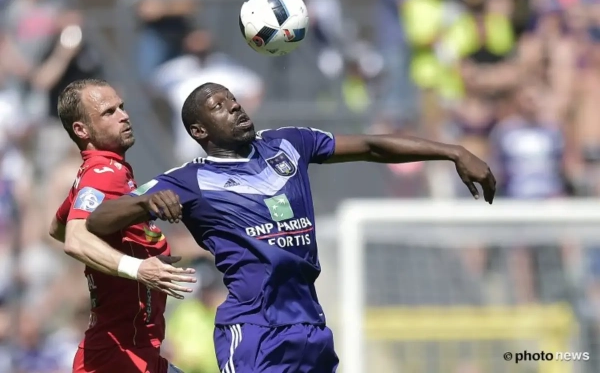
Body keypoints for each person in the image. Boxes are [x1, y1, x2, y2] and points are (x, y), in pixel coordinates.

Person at [86, 82, 496, 373]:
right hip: (255, 330)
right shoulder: (190, 180)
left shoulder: (288, 144)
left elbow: (372, 146)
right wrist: (145, 202)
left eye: (234, 100)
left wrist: (453, 151)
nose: (235, 107)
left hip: (311, 327)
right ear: (199, 131)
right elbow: (98, 220)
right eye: (219, 106)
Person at [48, 79, 194, 373]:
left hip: (136, 351)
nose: (124, 116)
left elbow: (58, 227)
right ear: (81, 130)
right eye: (109, 112)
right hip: (116, 358)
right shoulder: (104, 174)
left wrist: (126, 252)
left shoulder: (100, 173)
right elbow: (74, 239)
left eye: (122, 107)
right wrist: (137, 268)